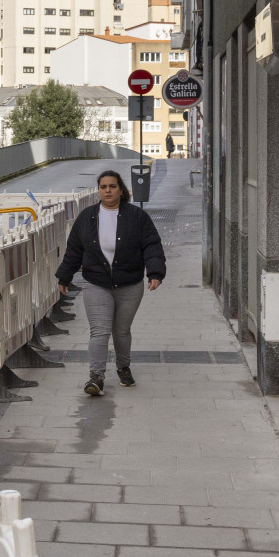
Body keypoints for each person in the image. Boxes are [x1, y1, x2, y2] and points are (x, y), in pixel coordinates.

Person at [55, 170, 166, 396]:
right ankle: (96, 377)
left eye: (112, 186)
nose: (108, 190)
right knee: (100, 331)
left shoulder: (137, 217)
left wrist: (155, 273)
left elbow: (152, 245)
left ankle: (123, 367)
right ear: (99, 190)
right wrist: (64, 275)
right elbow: (74, 249)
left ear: (121, 190)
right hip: (96, 283)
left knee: (121, 330)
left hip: (129, 284)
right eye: (103, 187)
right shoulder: (87, 217)